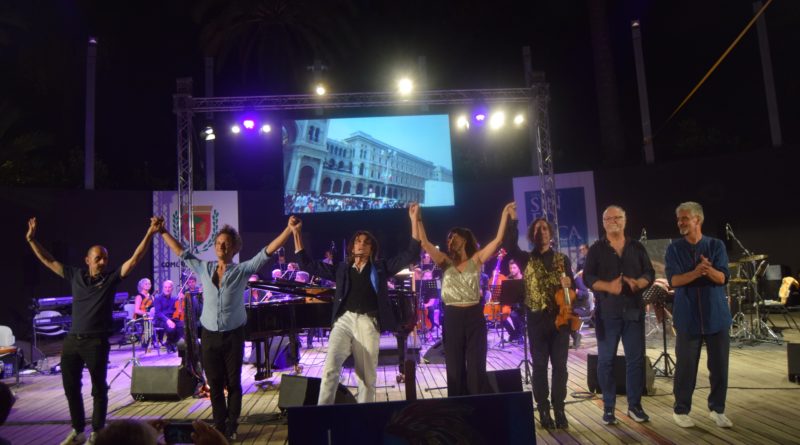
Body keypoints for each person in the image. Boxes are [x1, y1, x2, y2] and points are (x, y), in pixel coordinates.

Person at [157, 217, 296, 440]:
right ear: (215, 246)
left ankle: (232, 425)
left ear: (234, 248)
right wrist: (163, 230)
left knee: (233, 383)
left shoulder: (242, 270)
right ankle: (220, 426)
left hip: (233, 335)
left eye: (226, 243)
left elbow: (267, 251)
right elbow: (180, 251)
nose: (222, 246)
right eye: (219, 243)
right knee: (214, 384)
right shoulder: (204, 268)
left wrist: (289, 229)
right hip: (209, 335)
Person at [25, 216, 160, 445]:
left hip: (96, 342)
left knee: (99, 389)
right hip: (72, 341)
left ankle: (97, 432)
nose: (103, 262)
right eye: (98, 258)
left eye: (105, 258)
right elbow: (48, 260)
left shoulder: (110, 279)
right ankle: (78, 431)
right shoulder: (75, 275)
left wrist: (149, 233)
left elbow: (135, 259)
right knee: (71, 388)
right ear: (87, 260)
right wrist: (31, 240)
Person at [292, 204, 420, 404]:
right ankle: (322, 414)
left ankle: (363, 415)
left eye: (366, 243)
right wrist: (296, 232)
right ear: (352, 247)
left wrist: (413, 220)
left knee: (366, 376)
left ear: (371, 249)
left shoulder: (380, 268)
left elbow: (410, 254)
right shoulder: (342, 269)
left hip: (368, 321)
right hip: (344, 320)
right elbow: (307, 264)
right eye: (358, 241)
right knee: (330, 369)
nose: (361, 245)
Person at [417, 202, 514, 397]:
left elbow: (498, 240)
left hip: (474, 316)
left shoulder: (476, 260)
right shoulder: (445, 261)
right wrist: (417, 218)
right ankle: (457, 407)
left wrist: (505, 214)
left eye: (454, 235)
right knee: (454, 367)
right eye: (449, 237)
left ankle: (478, 406)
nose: (450, 239)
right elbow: (425, 243)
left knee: (476, 367)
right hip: (452, 316)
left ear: (465, 238)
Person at [583, 205, 654, 425]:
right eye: (609, 218)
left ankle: (635, 406)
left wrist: (639, 283)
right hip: (607, 313)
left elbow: (649, 272)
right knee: (606, 362)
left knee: (635, 361)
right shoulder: (596, 249)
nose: (613, 221)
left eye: (618, 217)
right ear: (603, 223)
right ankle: (609, 408)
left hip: (633, 311)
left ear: (625, 220)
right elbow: (587, 278)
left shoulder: (637, 247)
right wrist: (608, 286)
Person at [503, 211, 574, 429]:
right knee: (540, 366)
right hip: (536, 320)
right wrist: (512, 220)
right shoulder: (526, 259)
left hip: (560, 320)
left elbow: (570, 293)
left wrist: (569, 284)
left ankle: (559, 408)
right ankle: (543, 409)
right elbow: (509, 245)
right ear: (532, 235)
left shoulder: (563, 260)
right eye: (536, 229)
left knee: (560, 367)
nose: (541, 232)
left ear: (550, 233)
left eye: (544, 228)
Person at [665, 201, 733, 428]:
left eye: (685, 218)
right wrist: (697, 272)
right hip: (687, 317)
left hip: (716, 316)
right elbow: (674, 281)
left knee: (720, 367)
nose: (680, 222)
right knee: (685, 368)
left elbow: (722, 278)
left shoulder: (716, 245)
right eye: (679, 219)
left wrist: (708, 270)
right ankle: (681, 410)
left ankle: (717, 410)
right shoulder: (674, 249)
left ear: (698, 220)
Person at [152, 280, 182, 353]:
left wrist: (181, 300)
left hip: (171, 319)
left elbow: (177, 310)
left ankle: (170, 342)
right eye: (165, 287)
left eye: (169, 287)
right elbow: (158, 313)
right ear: (163, 288)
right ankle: (170, 344)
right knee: (171, 328)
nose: (167, 289)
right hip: (160, 320)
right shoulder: (158, 298)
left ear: (172, 288)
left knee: (182, 326)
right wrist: (167, 320)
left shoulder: (174, 298)